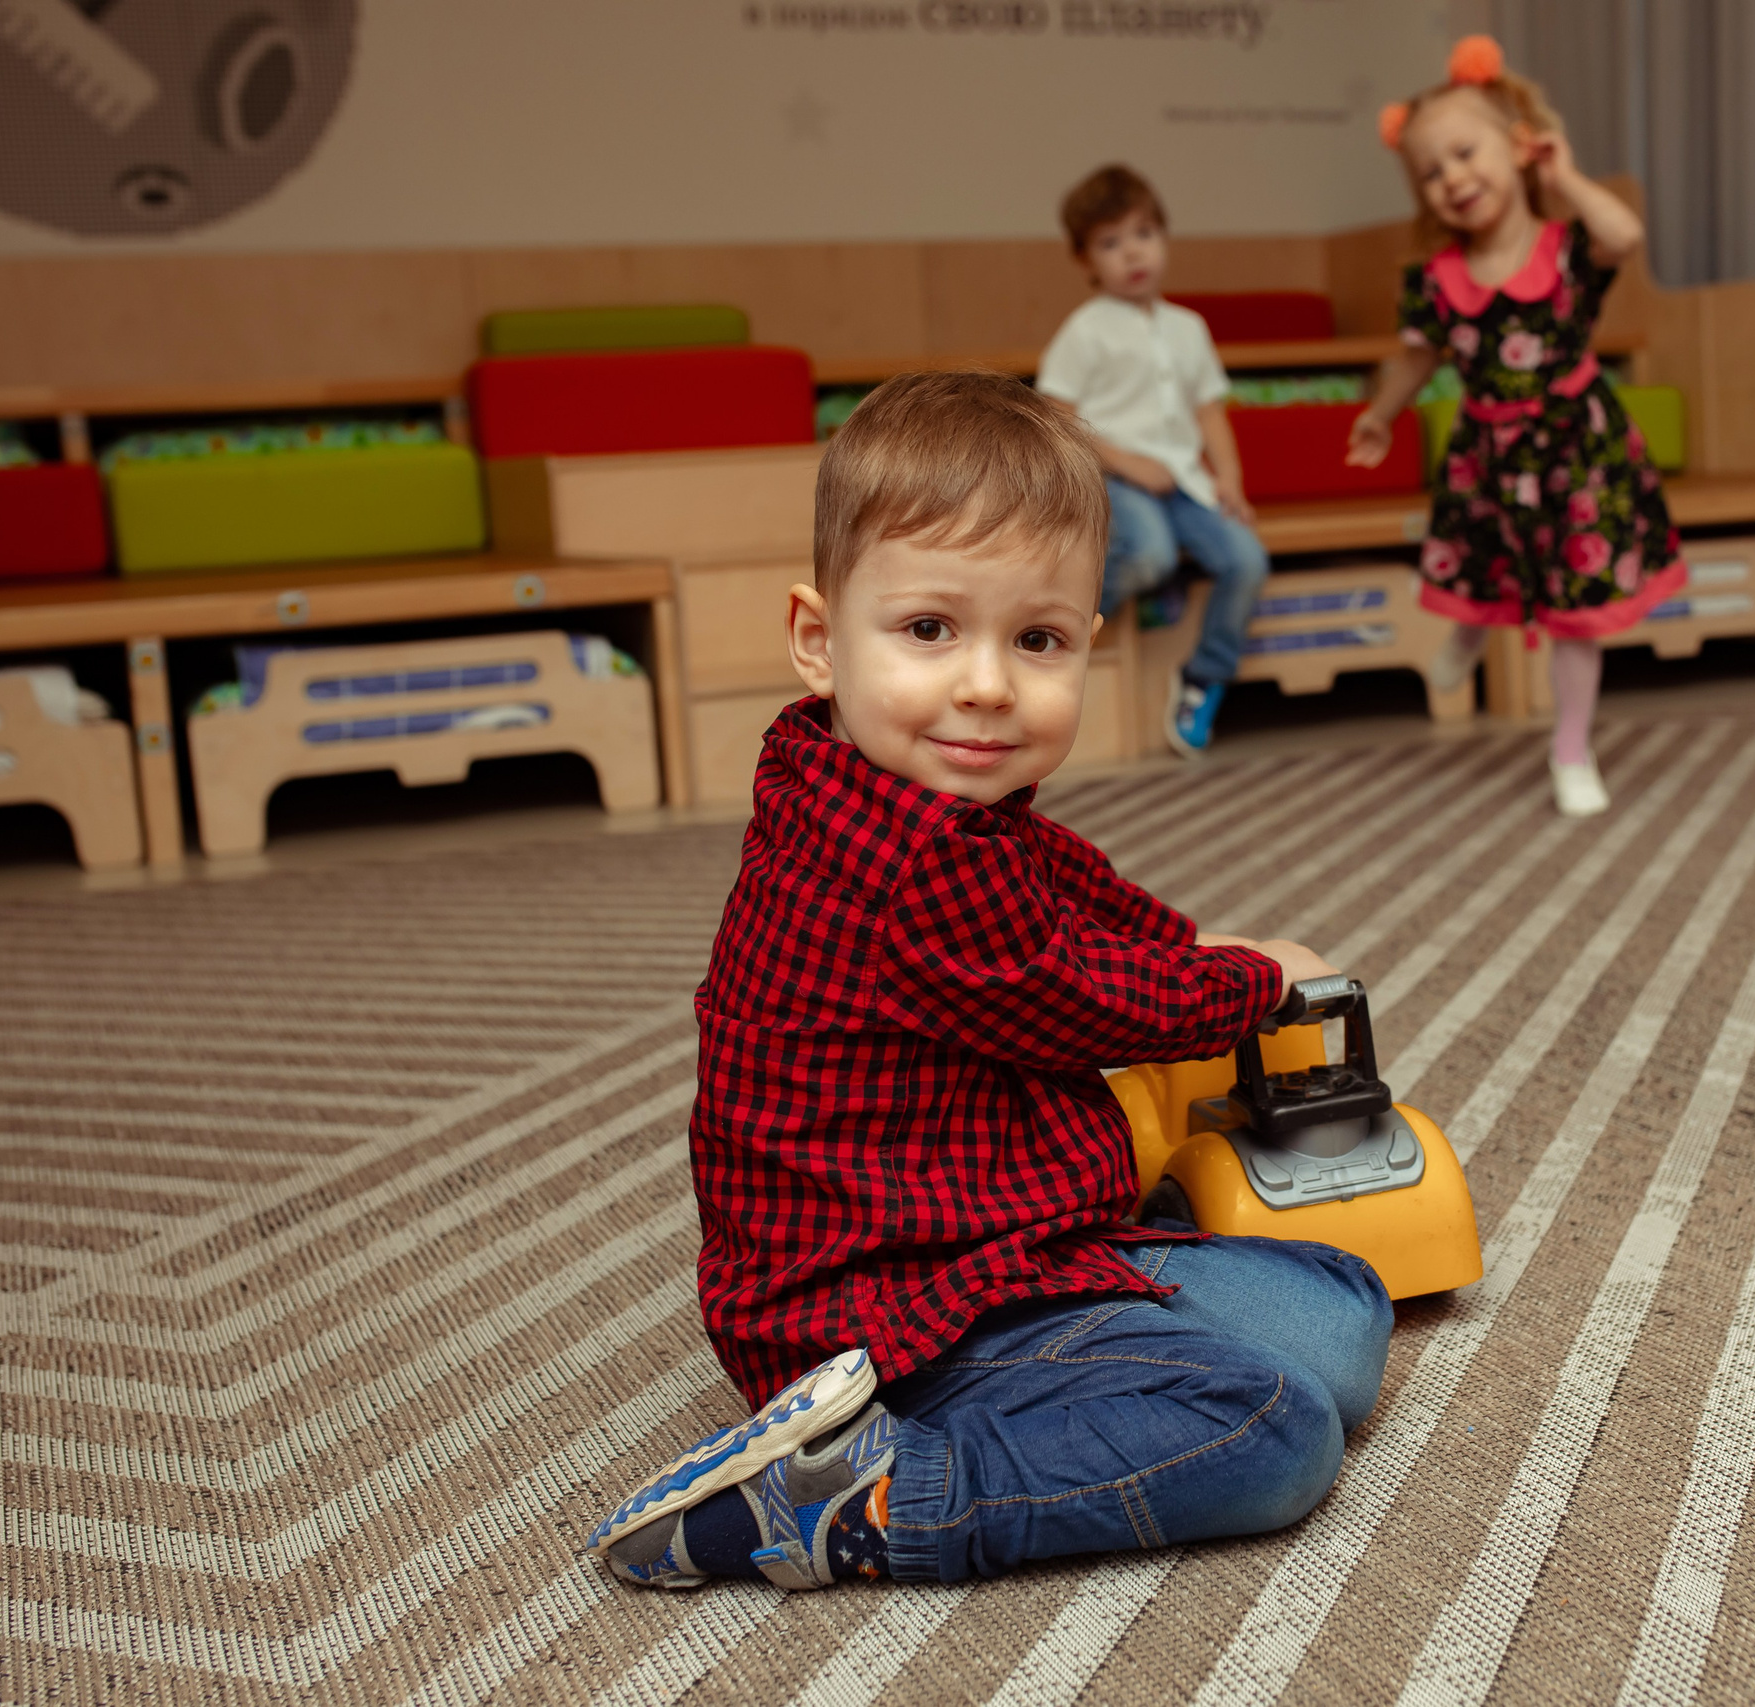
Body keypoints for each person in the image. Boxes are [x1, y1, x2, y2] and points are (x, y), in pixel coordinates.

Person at [583, 372, 1390, 1589]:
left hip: (991, 1239)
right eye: (928, 631)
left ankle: (1103, 1325)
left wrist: (1192, 941)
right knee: (1274, 1433)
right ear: (818, 639)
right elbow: (1088, 1003)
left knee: (1341, 1312)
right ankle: (861, 1497)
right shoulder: (908, 867)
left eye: (1038, 639)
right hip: (885, 1314)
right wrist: (1245, 986)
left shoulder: (866, 779)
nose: (986, 684)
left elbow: (1074, 890)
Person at [1346, 35, 1685, 819]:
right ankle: (1467, 638)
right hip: (1488, 454)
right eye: (1432, 171)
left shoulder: (1568, 251)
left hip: (1576, 450)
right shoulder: (1435, 281)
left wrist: (1561, 174)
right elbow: (1418, 358)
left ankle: (1570, 747)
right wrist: (1380, 414)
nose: (1453, 178)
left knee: (1574, 603)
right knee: (1480, 569)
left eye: (1466, 153)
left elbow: (1626, 237)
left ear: (1517, 145)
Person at [1039, 164, 1269, 757]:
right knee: (1148, 552)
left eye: (1143, 234)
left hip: (1185, 482)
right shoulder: (1084, 331)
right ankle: (1067, 628)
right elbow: (1055, 416)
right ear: (1085, 261)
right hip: (1117, 478)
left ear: (1164, 237)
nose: (1132, 253)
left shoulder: (1189, 328)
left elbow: (1210, 413)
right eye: (1110, 244)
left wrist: (1232, 483)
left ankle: (1205, 678)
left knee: (1247, 558)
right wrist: (1124, 461)